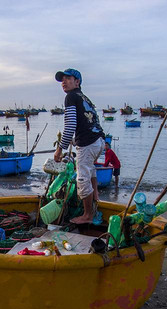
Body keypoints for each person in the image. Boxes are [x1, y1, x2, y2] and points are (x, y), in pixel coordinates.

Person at [53, 68, 105, 224]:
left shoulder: (71, 97)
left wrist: (59, 149)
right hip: (99, 141)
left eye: (68, 78)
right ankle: (95, 195)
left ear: (77, 82)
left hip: (88, 143)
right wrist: (74, 140)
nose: (64, 82)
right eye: (62, 79)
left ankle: (87, 215)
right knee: (90, 169)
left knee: (82, 178)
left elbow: (70, 125)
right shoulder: (84, 98)